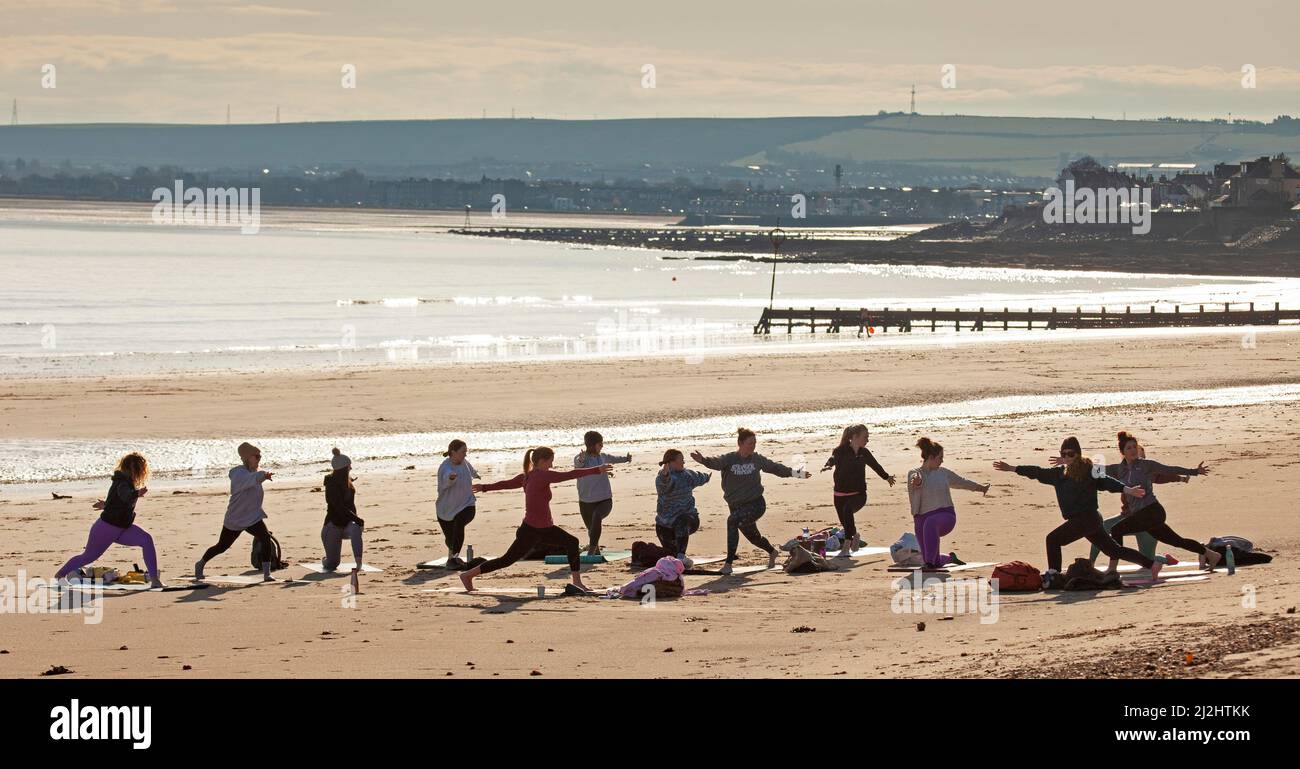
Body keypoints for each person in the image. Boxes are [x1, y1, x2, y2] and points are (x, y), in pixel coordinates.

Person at [993, 436, 1159, 587]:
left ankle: (1053, 575)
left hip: (1087, 519)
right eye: (1063, 454)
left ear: (1078, 454)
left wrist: (1127, 490)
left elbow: (1107, 482)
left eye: (1070, 454)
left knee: (1052, 540)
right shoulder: (1058, 474)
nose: (1067, 457)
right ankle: (1152, 564)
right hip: (1087, 521)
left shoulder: (1089, 471)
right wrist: (1013, 468)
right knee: (1114, 550)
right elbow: (1037, 472)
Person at [458, 447, 612, 593]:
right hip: (534, 530)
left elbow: (505, 484)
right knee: (507, 560)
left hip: (538, 528)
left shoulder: (527, 475)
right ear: (542, 461)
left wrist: (484, 487)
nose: (552, 464)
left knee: (570, 543)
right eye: (551, 461)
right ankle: (468, 575)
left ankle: (577, 582)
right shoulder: (542, 475)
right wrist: (596, 470)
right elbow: (569, 475)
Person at [691, 428, 810, 575]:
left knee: (732, 521)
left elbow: (775, 468)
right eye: (749, 443)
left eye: (754, 443)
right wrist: (703, 460)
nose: (753, 446)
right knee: (753, 536)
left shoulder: (756, 459)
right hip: (735, 506)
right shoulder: (730, 459)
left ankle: (728, 563)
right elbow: (716, 462)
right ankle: (772, 551)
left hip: (756, 504)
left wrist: (797, 473)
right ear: (740, 443)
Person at [1103, 431, 1220, 572]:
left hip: (1152, 511)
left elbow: (1168, 469)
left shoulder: (1146, 465)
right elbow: (1095, 470)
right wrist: (1076, 465)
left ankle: (1112, 569)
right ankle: (1211, 554)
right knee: (1177, 541)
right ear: (1123, 452)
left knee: (1116, 530)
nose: (1133, 450)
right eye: (1129, 448)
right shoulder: (1118, 469)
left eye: (1135, 446)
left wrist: (1194, 471)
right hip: (1142, 516)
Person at [55, 453, 165, 588]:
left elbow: (117, 502)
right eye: (141, 469)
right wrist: (136, 494)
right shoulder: (123, 483)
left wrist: (105, 505)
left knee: (146, 540)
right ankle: (60, 575)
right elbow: (125, 496)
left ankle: (155, 580)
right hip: (106, 528)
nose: (143, 472)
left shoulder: (124, 481)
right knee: (88, 557)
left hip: (122, 528)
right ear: (133, 468)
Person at [194, 442, 278, 582]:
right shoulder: (239, 474)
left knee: (265, 539)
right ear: (247, 458)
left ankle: (266, 573)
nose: (259, 459)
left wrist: (263, 475)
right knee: (222, 546)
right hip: (236, 518)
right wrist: (263, 475)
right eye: (256, 456)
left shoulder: (254, 472)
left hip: (253, 517)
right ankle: (200, 564)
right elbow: (250, 480)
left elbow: (255, 478)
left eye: (260, 456)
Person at [906, 437, 988, 568]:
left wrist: (980, 488)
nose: (942, 461)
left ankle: (929, 563)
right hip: (921, 520)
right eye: (940, 457)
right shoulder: (914, 473)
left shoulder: (943, 473)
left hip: (945, 516)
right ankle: (950, 558)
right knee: (934, 560)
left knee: (930, 526)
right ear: (931, 457)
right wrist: (917, 481)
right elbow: (916, 479)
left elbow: (962, 482)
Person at [821, 424, 896, 557]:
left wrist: (887, 477)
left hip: (859, 494)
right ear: (854, 437)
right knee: (845, 521)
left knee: (848, 510)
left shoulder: (864, 453)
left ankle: (847, 545)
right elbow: (833, 459)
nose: (867, 440)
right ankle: (855, 536)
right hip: (839, 495)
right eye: (865, 437)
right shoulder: (840, 451)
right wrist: (828, 466)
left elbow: (875, 466)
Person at [573, 431, 632, 556]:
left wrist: (626, 458)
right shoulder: (581, 459)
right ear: (592, 445)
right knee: (591, 529)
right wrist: (581, 458)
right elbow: (578, 464)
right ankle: (596, 550)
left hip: (604, 500)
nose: (602, 446)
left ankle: (591, 550)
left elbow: (614, 458)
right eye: (600, 444)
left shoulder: (603, 457)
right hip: (585, 501)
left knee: (597, 517)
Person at [655, 449, 711, 567]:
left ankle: (681, 556)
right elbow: (664, 483)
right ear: (671, 462)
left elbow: (701, 477)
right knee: (669, 554)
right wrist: (665, 476)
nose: (683, 462)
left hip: (689, 519)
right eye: (681, 460)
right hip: (666, 523)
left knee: (682, 521)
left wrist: (707, 476)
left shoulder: (687, 475)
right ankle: (678, 558)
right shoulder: (661, 478)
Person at [435, 439, 480, 568]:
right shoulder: (446, 467)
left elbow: (471, 470)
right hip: (446, 510)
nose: (465, 455)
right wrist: (451, 477)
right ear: (453, 452)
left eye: (466, 452)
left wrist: (476, 475)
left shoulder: (464, 462)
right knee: (450, 540)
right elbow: (446, 478)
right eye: (463, 452)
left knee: (459, 524)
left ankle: (454, 558)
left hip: (467, 505)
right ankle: (452, 552)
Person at [321, 448, 364, 572]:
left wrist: (357, 521)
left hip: (346, 525)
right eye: (349, 466)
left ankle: (359, 563)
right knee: (332, 564)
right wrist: (357, 519)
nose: (351, 468)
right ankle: (326, 559)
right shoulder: (331, 485)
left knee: (355, 528)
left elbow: (351, 506)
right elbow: (340, 508)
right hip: (332, 526)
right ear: (343, 469)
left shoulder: (348, 483)